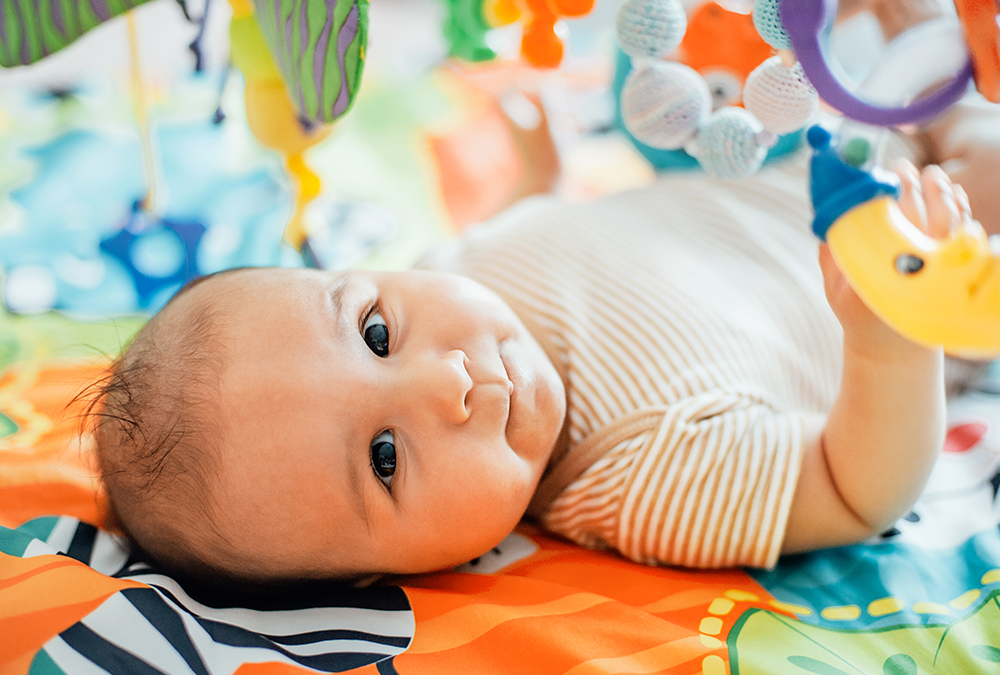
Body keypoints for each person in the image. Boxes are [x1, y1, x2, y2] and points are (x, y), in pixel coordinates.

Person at [90, 131, 986, 586]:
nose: (446, 382)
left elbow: (546, 235)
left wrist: (534, 177)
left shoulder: (453, 272)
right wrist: (890, 341)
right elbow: (856, 487)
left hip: (823, 154)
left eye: (374, 334)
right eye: (386, 458)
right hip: (931, 253)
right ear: (391, 576)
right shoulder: (639, 475)